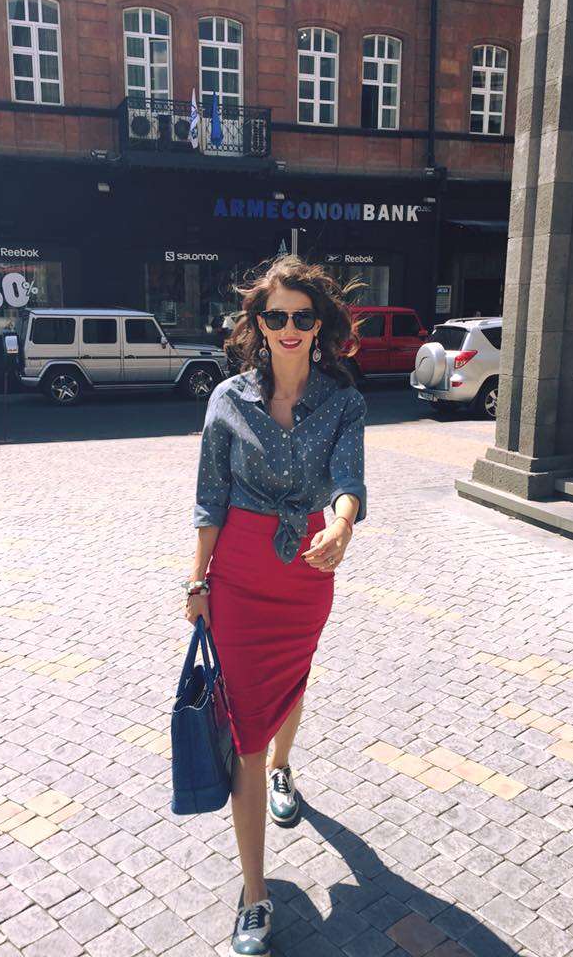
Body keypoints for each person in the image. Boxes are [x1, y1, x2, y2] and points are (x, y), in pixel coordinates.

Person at [184, 256, 367, 957]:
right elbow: (210, 498)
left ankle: (284, 769)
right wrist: (197, 582)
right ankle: (255, 894)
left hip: (307, 571)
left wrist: (342, 524)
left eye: (302, 316)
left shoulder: (343, 401)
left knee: (294, 678)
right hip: (238, 574)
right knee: (245, 729)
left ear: (320, 325)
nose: (289, 327)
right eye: (276, 316)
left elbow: (348, 479)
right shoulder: (227, 399)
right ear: (258, 324)